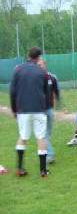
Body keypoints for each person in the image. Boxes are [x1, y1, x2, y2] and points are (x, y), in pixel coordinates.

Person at [10, 47, 49, 177]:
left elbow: (12, 91)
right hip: (38, 109)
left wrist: (14, 110)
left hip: (23, 109)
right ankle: (43, 170)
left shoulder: (18, 69)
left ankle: (20, 167)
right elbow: (45, 91)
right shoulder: (41, 71)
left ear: (28, 55)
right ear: (38, 57)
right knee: (40, 137)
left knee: (23, 136)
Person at [37, 58, 61, 164]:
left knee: (47, 134)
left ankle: (45, 151)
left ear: (45, 65)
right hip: (39, 111)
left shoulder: (52, 77)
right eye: (37, 65)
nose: (39, 66)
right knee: (44, 134)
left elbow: (57, 91)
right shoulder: (34, 79)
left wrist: (59, 101)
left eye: (41, 64)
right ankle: (49, 155)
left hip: (50, 109)